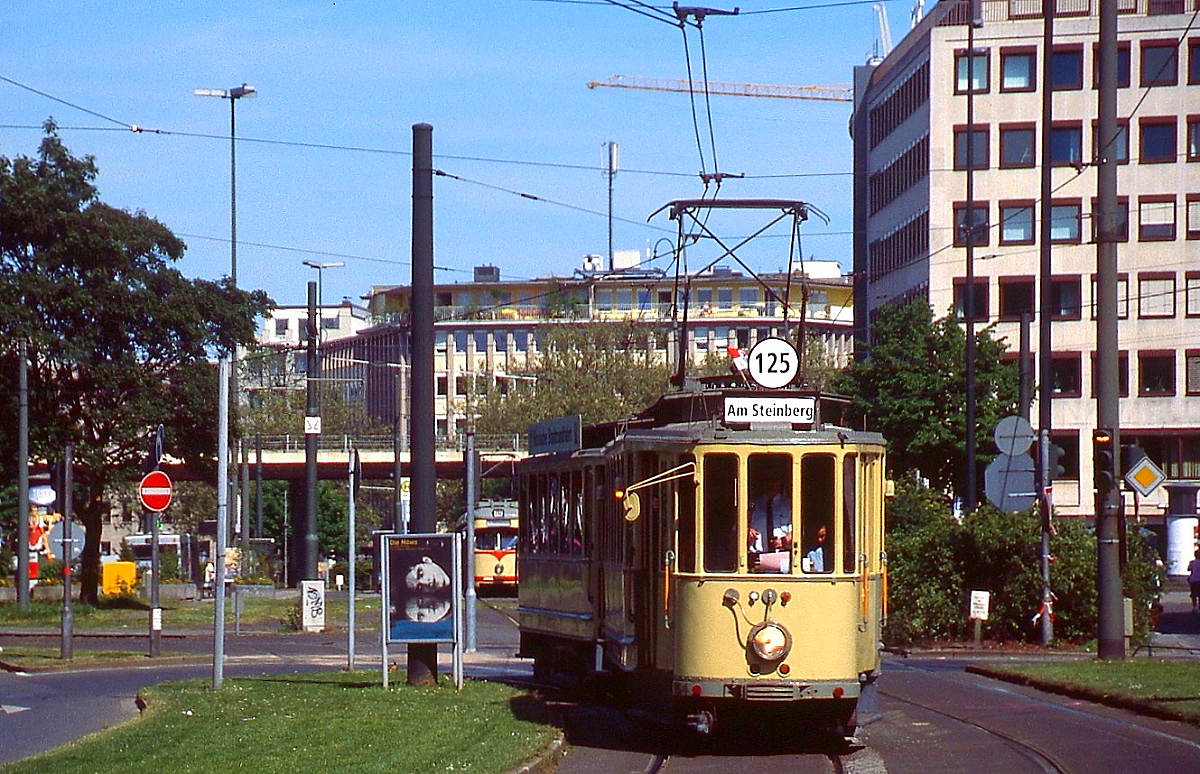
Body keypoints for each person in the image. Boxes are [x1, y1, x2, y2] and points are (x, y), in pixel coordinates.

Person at [748, 480, 792, 554]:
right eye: (768, 479)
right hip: (757, 556)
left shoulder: (789, 504)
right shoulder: (753, 504)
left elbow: (799, 530)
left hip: (783, 555)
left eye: (775, 479)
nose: (771, 483)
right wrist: (747, 531)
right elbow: (735, 532)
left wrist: (784, 541)